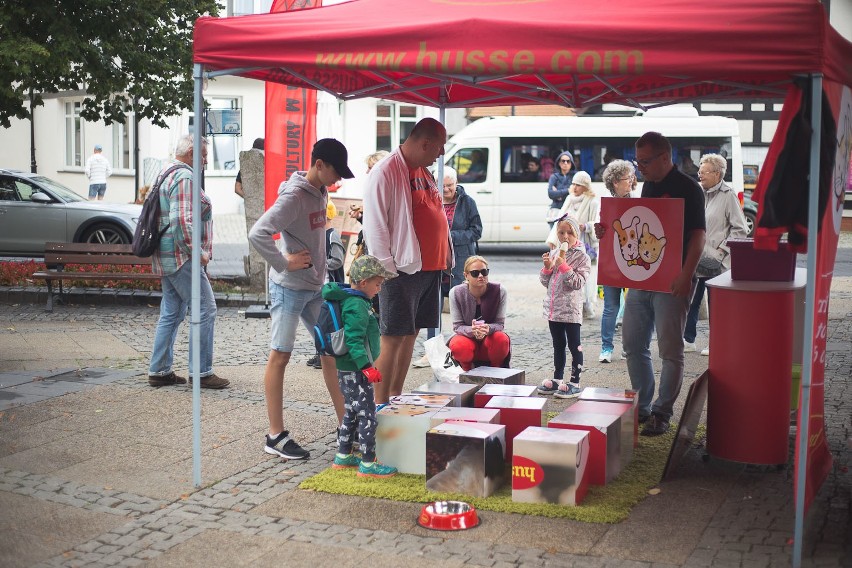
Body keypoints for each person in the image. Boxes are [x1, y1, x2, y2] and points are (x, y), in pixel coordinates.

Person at [248, 138, 354, 460]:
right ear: (319, 164)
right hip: (288, 288)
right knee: (280, 355)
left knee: (332, 351)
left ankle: (345, 425)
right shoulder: (294, 196)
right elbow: (258, 233)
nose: (336, 181)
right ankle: (275, 436)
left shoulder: (320, 191)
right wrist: (284, 262)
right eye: (334, 172)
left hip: (314, 287)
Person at [596, 132, 706, 437]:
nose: (639, 167)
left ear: (664, 157)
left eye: (644, 161)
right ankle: (643, 405)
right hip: (645, 278)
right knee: (632, 343)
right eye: (638, 161)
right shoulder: (649, 184)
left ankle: (662, 411)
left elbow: (699, 236)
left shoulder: (689, 188)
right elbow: (638, 226)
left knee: (670, 350)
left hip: (673, 280)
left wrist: (686, 275)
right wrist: (607, 233)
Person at [363, 117, 451, 405]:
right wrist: (387, 271)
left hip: (429, 268)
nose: (440, 154)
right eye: (438, 148)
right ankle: (378, 403)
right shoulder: (385, 171)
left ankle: (395, 395)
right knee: (392, 337)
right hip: (401, 269)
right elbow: (374, 226)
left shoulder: (422, 170)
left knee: (410, 333)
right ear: (425, 143)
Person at [148, 135, 229, 390]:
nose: (205, 161)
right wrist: (199, 254)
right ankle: (201, 372)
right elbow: (181, 222)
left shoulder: (166, 172)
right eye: (204, 155)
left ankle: (159, 370)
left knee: (172, 312)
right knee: (205, 308)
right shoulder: (185, 177)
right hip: (182, 257)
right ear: (192, 152)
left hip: (167, 256)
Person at [324, 254, 399, 478]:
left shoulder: (354, 299)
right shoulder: (356, 305)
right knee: (368, 415)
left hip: (347, 370)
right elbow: (354, 340)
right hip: (357, 371)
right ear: (364, 282)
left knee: (351, 412)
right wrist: (367, 367)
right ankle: (368, 463)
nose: (379, 288)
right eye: (377, 284)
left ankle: (343, 455)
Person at [412, 165, 482, 368]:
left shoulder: (468, 203)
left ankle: (462, 349)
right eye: (442, 186)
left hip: (459, 261)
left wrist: (449, 237)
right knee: (432, 308)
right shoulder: (431, 199)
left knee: (462, 307)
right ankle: (433, 352)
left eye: (450, 186)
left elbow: (476, 231)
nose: (446, 190)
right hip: (435, 261)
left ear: (456, 183)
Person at [684, 153, 748, 356]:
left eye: (703, 171)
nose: (699, 175)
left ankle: (717, 343)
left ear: (717, 173)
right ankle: (688, 340)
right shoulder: (697, 192)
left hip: (717, 262)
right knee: (691, 301)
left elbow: (740, 229)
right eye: (699, 171)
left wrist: (721, 251)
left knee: (716, 305)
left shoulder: (728, 195)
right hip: (696, 258)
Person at [537, 215, 590, 399]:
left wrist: (563, 266)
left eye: (570, 232)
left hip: (571, 310)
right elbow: (545, 282)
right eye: (561, 232)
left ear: (577, 234)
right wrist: (547, 268)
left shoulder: (582, 256)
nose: (565, 236)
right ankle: (558, 379)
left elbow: (578, 283)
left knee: (575, 346)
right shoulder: (554, 252)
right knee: (558, 345)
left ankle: (575, 381)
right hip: (554, 309)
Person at [598, 160, 637, 363]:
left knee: (633, 307)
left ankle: (629, 347)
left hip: (633, 263)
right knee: (610, 307)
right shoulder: (604, 203)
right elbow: (601, 232)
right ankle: (606, 348)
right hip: (612, 262)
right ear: (614, 182)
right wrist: (599, 230)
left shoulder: (638, 201)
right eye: (626, 178)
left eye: (631, 177)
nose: (630, 181)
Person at [546, 171, 599, 319]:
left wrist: (586, 226)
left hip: (585, 243)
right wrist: (552, 241)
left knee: (586, 274)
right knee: (568, 272)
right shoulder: (569, 198)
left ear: (586, 187)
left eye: (579, 185)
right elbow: (560, 221)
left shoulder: (592, 201)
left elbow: (597, 222)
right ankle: (573, 305)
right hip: (566, 244)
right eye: (574, 184)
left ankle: (588, 304)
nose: (575, 187)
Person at [447, 255, 510, 371]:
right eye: (475, 273)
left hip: (490, 341)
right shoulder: (456, 292)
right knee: (458, 345)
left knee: (501, 339)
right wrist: (473, 330)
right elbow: (457, 327)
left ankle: (497, 371)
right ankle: (466, 371)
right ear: (466, 276)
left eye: (484, 272)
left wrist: (488, 328)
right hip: (468, 341)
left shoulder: (500, 291)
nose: (481, 276)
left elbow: (500, 324)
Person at [306, 199, 346, 369]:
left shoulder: (332, 235)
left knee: (327, 321)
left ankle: (328, 354)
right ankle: (321, 352)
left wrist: (320, 263)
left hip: (330, 286)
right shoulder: (320, 235)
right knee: (319, 321)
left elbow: (337, 260)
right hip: (319, 284)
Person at [546, 151, 574, 226]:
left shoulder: (575, 176)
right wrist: (568, 190)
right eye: (563, 161)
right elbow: (551, 194)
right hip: (555, 211)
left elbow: (575, 193)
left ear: (571, 163)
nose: (565, 163)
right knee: (554, 236)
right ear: (559, 163)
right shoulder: (554, 177)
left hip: (569, 212)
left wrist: (558, 193)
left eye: (568, 161)